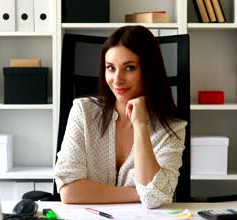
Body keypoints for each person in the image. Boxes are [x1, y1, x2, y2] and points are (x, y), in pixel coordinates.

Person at [54, 26, 187, 209]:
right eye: (110, 68)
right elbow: (69, 191)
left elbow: (154, 199)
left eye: (129, 68)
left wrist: (140, 125)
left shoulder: (173, 129)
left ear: (149, 70)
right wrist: (140, 192)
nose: (117, 79)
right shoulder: (83, 111)